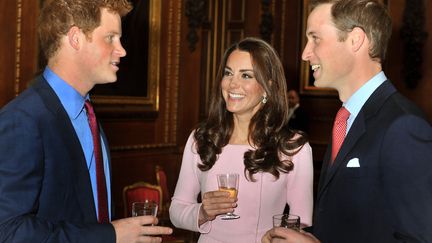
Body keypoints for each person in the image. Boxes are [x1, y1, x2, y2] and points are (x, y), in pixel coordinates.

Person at [0, 0, 172, 242]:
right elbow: (8, 232)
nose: (122, 50)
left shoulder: (88, 115)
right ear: (75, 38)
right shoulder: (22, 120)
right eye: (111, 37)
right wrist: (110, 235)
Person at [262, 0, 432, 242]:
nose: (305, 53)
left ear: (355, 40)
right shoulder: (346, 118)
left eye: (315, 38)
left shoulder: (403, 126)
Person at [169, 37, 314, 242]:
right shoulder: (201, 139)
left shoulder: (293, 147)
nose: (232, 83)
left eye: (246, 75)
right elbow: (176, 210)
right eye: (228, 73)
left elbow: (301, 221)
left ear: (267, 87)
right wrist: (202, 212)